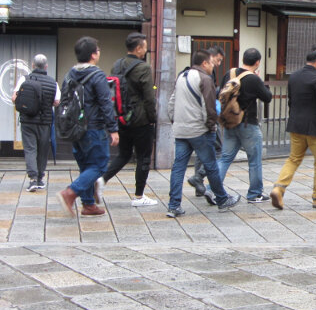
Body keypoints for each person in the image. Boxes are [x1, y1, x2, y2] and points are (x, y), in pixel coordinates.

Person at [167, 49, 240, 217]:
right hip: (199, 130)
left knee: (178, 167)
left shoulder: (181, 77)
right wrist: (211, 126)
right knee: (211, 165)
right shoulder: (205, 79)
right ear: (205, 63)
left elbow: (171, 103)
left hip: (181, 129)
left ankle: (174, 205)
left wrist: (175, 120)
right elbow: (209, 107)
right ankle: (222, 199)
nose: (213, 67)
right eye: (212, 63)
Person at [270, 47, 316, 209]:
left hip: (296, 125)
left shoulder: (294, 77)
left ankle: (278, 188)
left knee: (293, 159)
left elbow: (291, 101)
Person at [57, 37, 119, 217]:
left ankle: (88, 205)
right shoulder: (97, 75)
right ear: (93, 54)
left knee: (86, 166)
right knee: (99, 166)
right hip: (94, 127)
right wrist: (113, 129)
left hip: (75, 128)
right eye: (98, 50)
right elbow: (105, 103)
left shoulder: (70, 74)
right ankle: (70, 193)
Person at [95, 32, 157, 207]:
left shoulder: (117, 65)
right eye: (144, 46)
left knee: (124, 154)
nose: (145, 50)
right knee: (144, 157)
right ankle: (139, 196)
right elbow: (149, 97)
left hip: (121, 117)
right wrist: (153, 118)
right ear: (138, 48)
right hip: (140, 119)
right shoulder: (143, 68)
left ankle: (102, 179)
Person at [207, 48, 272, 205]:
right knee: (254, 159)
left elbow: (220, 93)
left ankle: (210, 189)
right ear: (257, 62)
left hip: (229, 122)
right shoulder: (253, 79)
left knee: (225, 158)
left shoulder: (230, 73)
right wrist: (259, 81)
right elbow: (267, 97)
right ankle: (255, 194)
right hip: (247, 123)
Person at [12, 54, 61, 192]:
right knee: (42, 150)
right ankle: (40, 178)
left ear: (33, 65)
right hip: (44, 121)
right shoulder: (53, 83)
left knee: (30, 149)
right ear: (46, 66)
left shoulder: (24, 79)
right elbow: (57, 102)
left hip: (27, 120)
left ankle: (33, 179)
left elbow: (14, 97)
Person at [188, 45, 224, 196]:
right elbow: (208, 100)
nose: (218, 64)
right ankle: (199, 178)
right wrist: (212, 124)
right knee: (218, 150)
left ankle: (199, 186)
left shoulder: (188, 74)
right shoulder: (205, 75)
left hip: (193, 120)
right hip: (206, 119)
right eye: (218, 60)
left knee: (201, 153)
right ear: (209, 59)